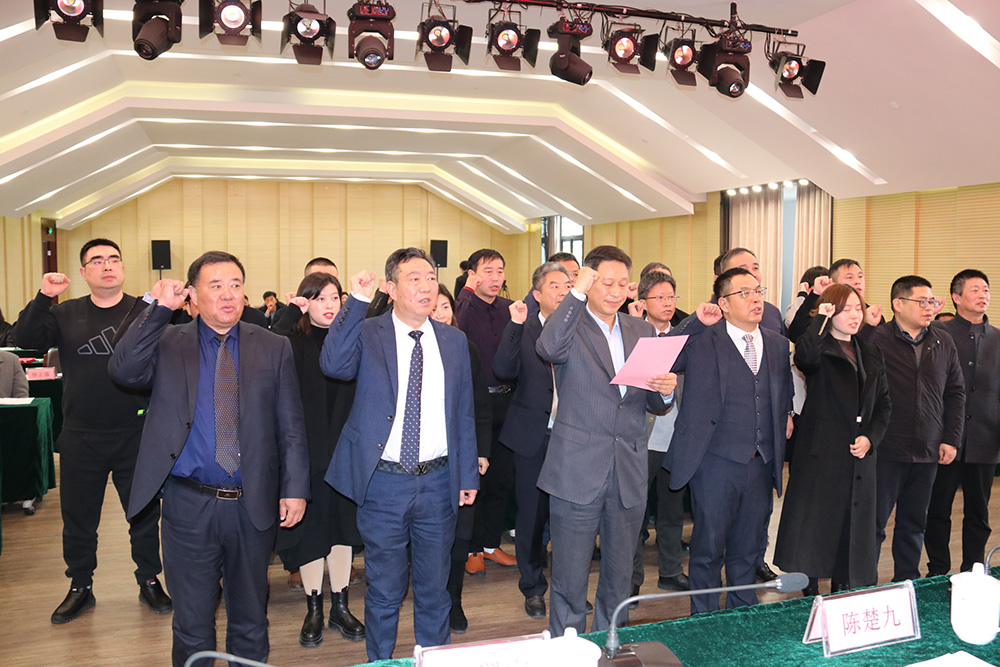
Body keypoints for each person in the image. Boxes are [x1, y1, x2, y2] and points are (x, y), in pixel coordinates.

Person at [108, 251, 309, 666]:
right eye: (215, 286)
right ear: (192, 295)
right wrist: (157, 308)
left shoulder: (273, 346)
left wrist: (294, 488)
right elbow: (123, 370)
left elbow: (290, 424)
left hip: (252, 504)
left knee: (251, 619)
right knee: (192, 623)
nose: (228, 295)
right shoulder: (168, 342)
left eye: (235, 285)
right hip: (188, 505)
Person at [321, 248, 479, 661]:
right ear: (390, 288)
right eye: (414, 279)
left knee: (434, 589)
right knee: (385, 589)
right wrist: (357, 301)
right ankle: (382, 661)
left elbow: (463, 410)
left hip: (439, 481)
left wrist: (467, 475)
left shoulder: (453, 340)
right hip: (384, 483)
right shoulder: (369, 332)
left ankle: (433, 659)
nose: (426, 286)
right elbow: (334, 364)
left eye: (430, 277)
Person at [15, 238, 170, 624]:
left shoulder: (145, 310)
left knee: (143, 516)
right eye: (97, 261)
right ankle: (80, 586)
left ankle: (149, 579)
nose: (107, 265)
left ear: (123, 267)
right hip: (81, 434)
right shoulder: (65, 312)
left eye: (114, 259)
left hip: (136, 433)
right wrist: (43, 296)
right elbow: (25, 341)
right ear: (84, 273)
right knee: (79, 519)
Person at [536, 245, 677, 636]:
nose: (616, 292)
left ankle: (610, 646)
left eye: (622, 284)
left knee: (619, 577)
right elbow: (548, 348)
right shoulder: (570, 323)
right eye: (606, 283)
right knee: (569, 578)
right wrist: (576, 292)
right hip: (577, 468)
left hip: (628, 467)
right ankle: (568, 651)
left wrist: (666, 392)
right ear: (589, 281)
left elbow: (652, 402)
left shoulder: (640, 329)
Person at [666, 268, 794, 613]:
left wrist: (786, 416)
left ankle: (742, 614)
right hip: (714, 462)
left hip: (761, 462)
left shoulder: (778, 344)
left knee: (749, 548)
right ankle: (704, 620)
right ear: (723, 303)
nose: (755, 299)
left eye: (758, 291)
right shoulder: (702, 339)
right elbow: (663, 356)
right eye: (744, 293)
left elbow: (783, 392)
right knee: (708, 548)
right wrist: (695, 321)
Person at [773, 284, 891, 595]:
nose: (855, 315)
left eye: (858, 308)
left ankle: (843, 589)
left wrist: (870, 438)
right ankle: (809, 594)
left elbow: (883, 405)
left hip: (859, 454)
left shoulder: (871, 352)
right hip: (821, 452)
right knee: (814, 525)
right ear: (830, 312)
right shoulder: (820, 347)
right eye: (845, 309)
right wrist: (819, 319)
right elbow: (805, 357)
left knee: (851, 527)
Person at [271, 272, 364, 647]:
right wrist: (290, 311)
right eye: (319, 298)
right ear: (305, 303)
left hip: (345, 452)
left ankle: (340, 605)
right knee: (310, 534)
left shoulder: (352, 340)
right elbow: (268, 340)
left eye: (334, 298)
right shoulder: (290, 342)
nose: (328, 305)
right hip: (304, 455)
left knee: (341, 529)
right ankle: (314, 609)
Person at [867, 275, 965, 582]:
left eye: (931, 301)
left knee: (913, 523)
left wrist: (951, 438)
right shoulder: (876, 339)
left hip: (928, 447)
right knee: (873, 523)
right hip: (885, 447)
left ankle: (906, 581)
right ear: (898, 304)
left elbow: (956, 392)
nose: (929, 307)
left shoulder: (942, 340)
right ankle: (863, 584)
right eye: (922, 301)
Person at [493, 261, 572, 619]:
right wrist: (514, 324)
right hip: (532, 436)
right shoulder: (523, 328)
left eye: (568, 285)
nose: (563, 291)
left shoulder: (582, 328)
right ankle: (533, 586)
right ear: (537, 294)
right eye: (555, 286)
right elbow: (503, 370)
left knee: (569, 517)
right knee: (532, 515)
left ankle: (568, 588)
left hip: (572, 435)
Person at [925, 270, 1000, 575]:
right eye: (975, 290)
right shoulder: (938, 333)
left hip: (986, 438)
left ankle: (973, 571)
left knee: (978, 513)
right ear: (956, 297)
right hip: (945, 438)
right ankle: (937, 570)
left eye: (986, 290)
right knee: (938, 510)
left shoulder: (998, 338)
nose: (983, 295)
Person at [431, 284, 492, 634]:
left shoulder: (464, 347)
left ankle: (454, 599)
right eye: (433, 307)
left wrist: (481, 451)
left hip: (461, 454)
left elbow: (480, 405)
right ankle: (432, 597)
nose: (439, 313)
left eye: (444, 306)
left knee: (459, 533)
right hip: (425, 459)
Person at [455, 249, 518, 574]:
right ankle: (472, 548)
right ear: (472, 275)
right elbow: (456, 321)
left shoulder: (510, 309)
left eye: (499, 271)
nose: (495, 277)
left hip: (508, 402)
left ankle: (492, 545)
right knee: (475, 478)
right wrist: (467, 290)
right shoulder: (464, 307)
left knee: (501, 479)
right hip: (476, 404)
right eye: (488, 271)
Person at [630, 270, 690, 599]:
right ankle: (631, 579)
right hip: (642, 435)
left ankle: (670, 571)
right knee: (635, 514)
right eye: (660, 298)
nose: (668, 303)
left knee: (672, 509)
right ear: (643, 302)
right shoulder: (631, 333)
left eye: (671, 297)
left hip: (677, 435)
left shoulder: (686, 335)